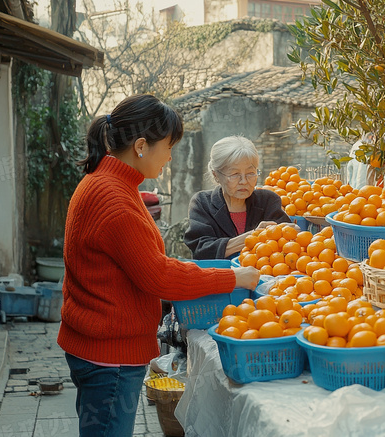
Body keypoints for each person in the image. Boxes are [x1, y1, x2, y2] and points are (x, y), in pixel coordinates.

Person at [58, 95, 260, 437]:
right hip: (110, 356)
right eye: (168, 146)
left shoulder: (109, 183)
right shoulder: (115, 200)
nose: (170, 156)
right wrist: (232, 276)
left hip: (96, 344)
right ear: (140, 146)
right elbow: (159, 276)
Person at [184, 136, 291, 259]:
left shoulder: (268, 201)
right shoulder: (203, 203)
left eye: (251, 173)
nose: (244, 181)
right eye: (235, 174)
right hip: (219, 275)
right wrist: (253, 236)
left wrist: (292, 232)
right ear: (216, 175)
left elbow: (287, 247)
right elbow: (201, 250)